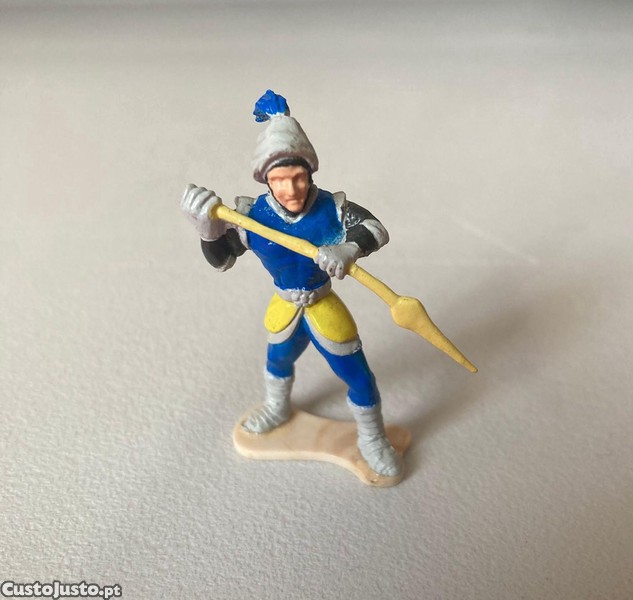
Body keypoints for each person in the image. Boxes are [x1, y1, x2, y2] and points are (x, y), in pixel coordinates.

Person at [180, 90, 401, 477]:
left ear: (311, 173)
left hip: (322, 305)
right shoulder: (251, 217)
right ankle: (277, 407)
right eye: (280, 180)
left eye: (298, 178)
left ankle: (371, 437)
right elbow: (222, 261)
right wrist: (208, 232)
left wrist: (348, 248)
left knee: (357, 375)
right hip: (285, 306)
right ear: (265, 179)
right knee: (277, 361)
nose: (291, 190)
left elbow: (375, 229)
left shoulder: (332, 210)